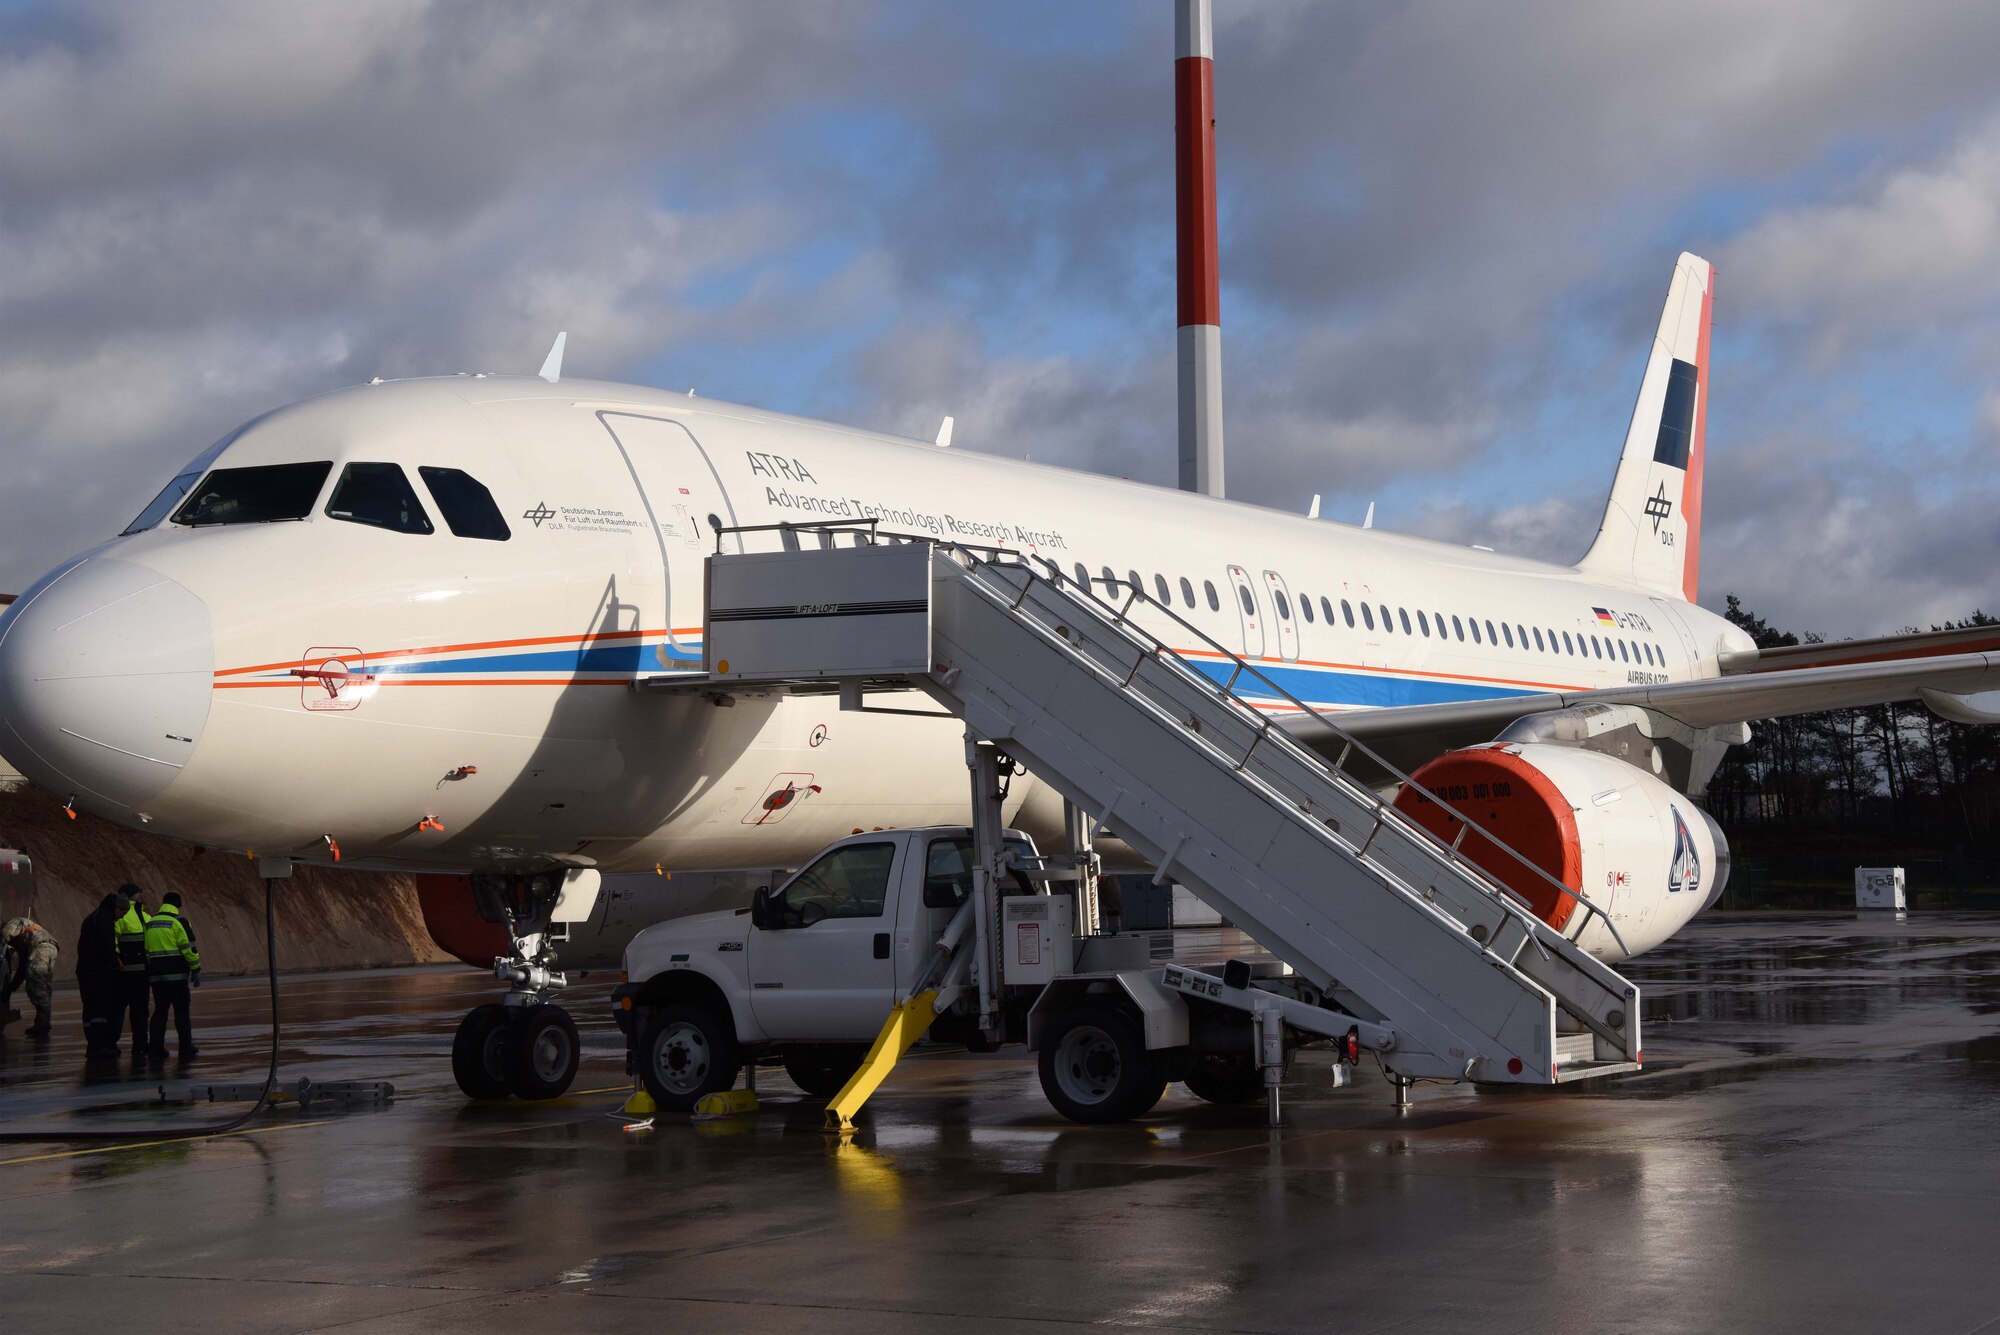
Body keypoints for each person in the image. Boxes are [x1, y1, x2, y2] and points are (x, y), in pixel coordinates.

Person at [144, 891, 201, 1059]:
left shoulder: (151, 923)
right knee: (181, 1012)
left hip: (156, 977)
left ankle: (156, 1048)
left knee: (160, 1011)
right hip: (177, 976)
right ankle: (185, 1047)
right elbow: (189, 949)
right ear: (178, 906)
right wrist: (196, 970)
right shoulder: (180, 922)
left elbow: (146, 950)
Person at [75, 891, 124, 1056]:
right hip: (98, 973)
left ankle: (93, 1045)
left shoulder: (92, 917)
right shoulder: (105, 920)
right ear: (116, 908)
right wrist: (114, 967)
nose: (122, 917)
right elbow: (107, 948)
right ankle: (98, 1046)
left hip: (85, 970)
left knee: (89, 1009)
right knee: (101, 1009)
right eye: (122, 912)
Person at [2, 915, 60, 1038]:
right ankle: (42, 1024)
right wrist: (12, 987)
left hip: (40, 947)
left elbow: (6, 934)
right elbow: (22, 970)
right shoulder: (24, 943)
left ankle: (43, 1025)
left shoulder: (12, 923)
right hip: (51, 948)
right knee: (44, 987)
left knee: (35, 985)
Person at [112, 886, 151, 1056]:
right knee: (120, 1009)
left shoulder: (145, 915)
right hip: (125, 973)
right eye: (138, 893)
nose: (141, 895)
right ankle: (112, 1042)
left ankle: (141, 1043)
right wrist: (117, 959)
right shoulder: (123, 915)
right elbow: (112, 940)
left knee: (139, 1010)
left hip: (141, 973)